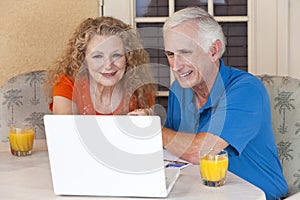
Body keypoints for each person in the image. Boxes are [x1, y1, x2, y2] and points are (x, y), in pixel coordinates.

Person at [162, 7, 288, 200]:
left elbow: (200, 152)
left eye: (185, 53)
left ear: (214, 51)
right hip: (202, 193)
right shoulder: (178, 90)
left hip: (258, 195)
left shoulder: (247, 89)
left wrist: (152, 130)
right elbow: (174, 151)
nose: (176, 66)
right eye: (170, 54)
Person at [46, 16, 155, 115]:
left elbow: (146, 134)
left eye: (116, 55)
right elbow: (65, 130)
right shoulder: (68, 84)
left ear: (128, 57)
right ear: (83, 59)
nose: (108, 65)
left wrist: (147, 124)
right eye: (97, 56)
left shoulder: (140, 88)